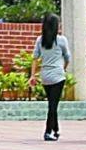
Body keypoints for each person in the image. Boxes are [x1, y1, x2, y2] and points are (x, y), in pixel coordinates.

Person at [30, 12, 70, 141]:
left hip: (45, 76)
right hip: (58, 75)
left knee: (52, 103)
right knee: (53, 105)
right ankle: (48, 131)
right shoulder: (61, 40)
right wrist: (63, 68)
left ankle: (56, 129)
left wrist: (32, 75)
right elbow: (67, 57)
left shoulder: (40, 40)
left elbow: (35, 58)